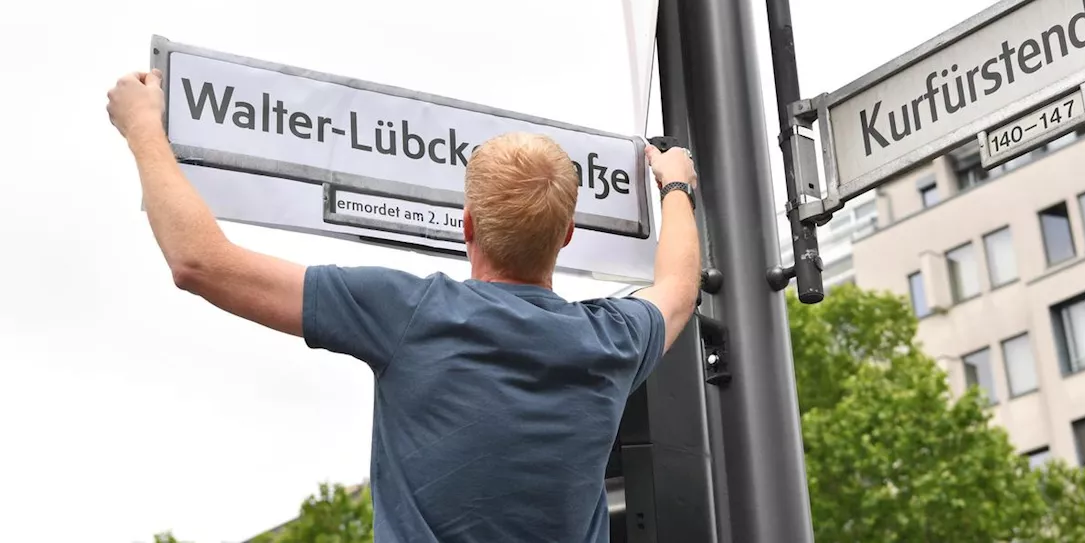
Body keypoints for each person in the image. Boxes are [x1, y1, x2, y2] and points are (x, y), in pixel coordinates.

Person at [105, 68, 702, 543]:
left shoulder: (406, 312)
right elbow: (679, 287)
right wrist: (675, 184)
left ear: (466, 224)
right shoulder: (611, 340)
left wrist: (143, 130)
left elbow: (199, 262)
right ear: (565, 235)